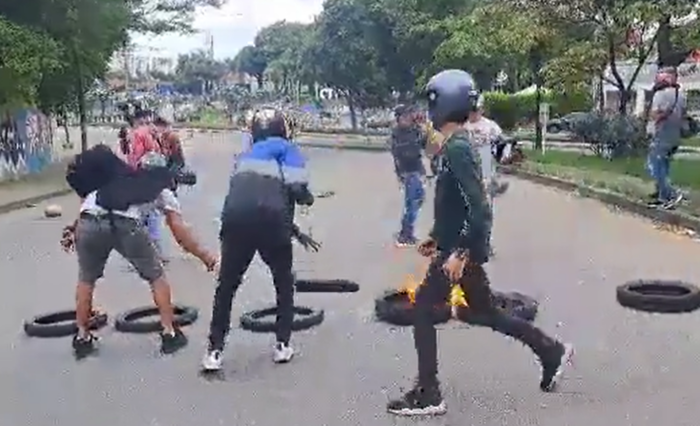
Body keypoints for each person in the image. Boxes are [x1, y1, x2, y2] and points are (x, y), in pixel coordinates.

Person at [386, 69, 573, 417]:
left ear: (443, 103)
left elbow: (480, 208)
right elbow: (456, 204)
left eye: (432, 102)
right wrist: (436, 238)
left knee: (424, 309)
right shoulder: (453, 145)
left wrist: (459, 253)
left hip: (460, 252)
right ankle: (551, 351)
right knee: (486, 312)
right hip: (455, 246)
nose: (428, 109)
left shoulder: (457, 148)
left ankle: (429, 393)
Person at [62, 148, 217, 359]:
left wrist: (74, 232)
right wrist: (207, 258)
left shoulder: (114, 178)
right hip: (126, 224)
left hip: (90, 222)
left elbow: (86, 211)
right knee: (156, 276)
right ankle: (170, 333)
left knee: (86, 278)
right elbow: (180, 233)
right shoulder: (161, 189)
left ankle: (82, 337)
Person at [201, 108, 317, 372]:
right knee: (283, 281)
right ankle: (282, 345)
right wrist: (308, 198)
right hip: (272, 222)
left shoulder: (244, 156)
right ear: (282, 129)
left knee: (227, 286)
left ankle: (214, 351)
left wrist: (295, 229)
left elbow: (251, 196)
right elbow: (297, 189)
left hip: (235, 220)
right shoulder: (287, 149)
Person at [646, 66, 685, 209]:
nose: (657, 78)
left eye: (660, 75)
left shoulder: (660, 94)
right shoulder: (681, 95)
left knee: (653, 166)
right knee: (664, 166)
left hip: (660, 135)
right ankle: (662, 196)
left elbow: (655, 115)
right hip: (674, 136)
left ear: (668, 78)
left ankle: (672, 194)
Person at [390, 104, 428, 247]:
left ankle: (406, 230)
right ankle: (405, 234)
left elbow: (426, 145)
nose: (408, 119)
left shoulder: (415, 130)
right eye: (404, 116)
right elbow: (401, 153)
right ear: (398, 118)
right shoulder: (397, 134)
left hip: (417, 169)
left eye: (409, 115)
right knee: (412, 202)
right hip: (408, 171)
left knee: (418, 200)